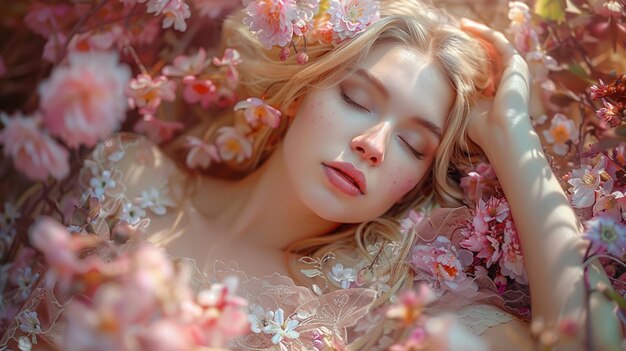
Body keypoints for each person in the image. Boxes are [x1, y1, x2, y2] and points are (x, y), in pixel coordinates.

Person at [2, 0, 623, 350]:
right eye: (357, 99)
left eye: (412, 142)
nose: (373, 144)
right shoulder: (128, 176)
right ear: (301, 91)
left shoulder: (374, 314)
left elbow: (582, 343)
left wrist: (514, 140)